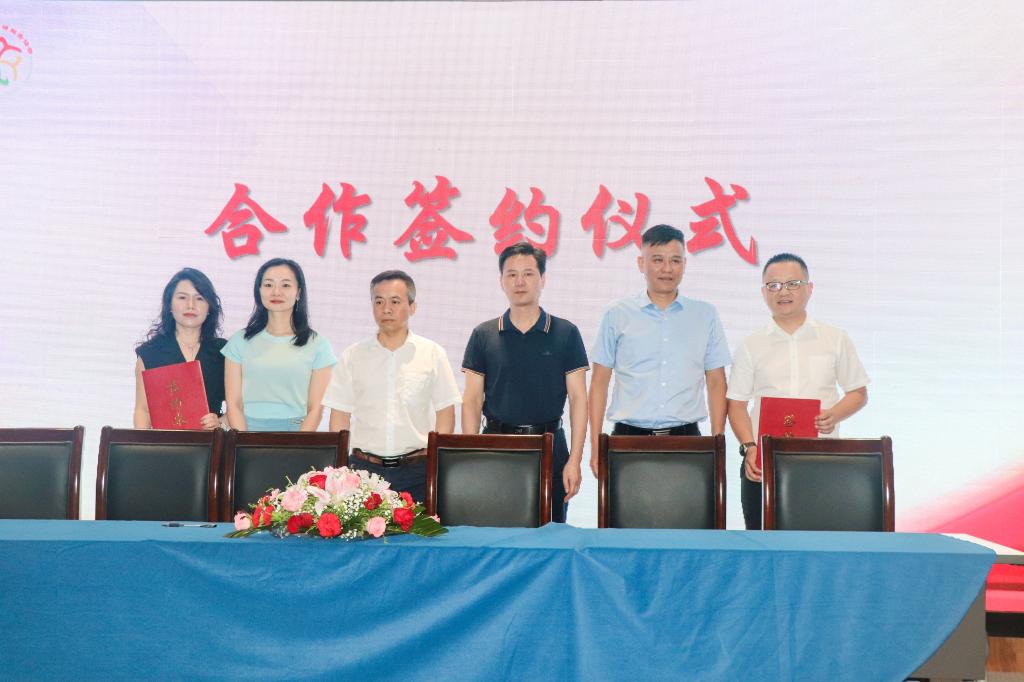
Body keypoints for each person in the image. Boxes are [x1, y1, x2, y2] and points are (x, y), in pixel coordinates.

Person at [728, 252, 869, 530]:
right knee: (761, 541)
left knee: (818, 539)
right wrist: (749, 447)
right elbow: (737, 405)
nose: (783, 292)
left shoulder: (835, 338)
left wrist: (835, 414)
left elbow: (858, 392)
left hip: (821, 459)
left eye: (793, 284)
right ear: (763, 292)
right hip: (763, 462)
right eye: (774, 285)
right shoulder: (751, 344)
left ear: (809, 288)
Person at [461, 242, 589, 523]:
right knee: (495, 529)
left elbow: (579, 398)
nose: (520, 282)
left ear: (543, 279)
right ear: (501, 281)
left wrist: (575, 460)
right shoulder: (484, 334)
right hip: (496, 447)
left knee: (550, 532)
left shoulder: (565, 332)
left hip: (550, 446)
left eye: (528, 274)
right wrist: (471, 455)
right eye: (512, 274)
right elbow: (471, 400)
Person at [588, 224, 730, 476]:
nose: (667, 268)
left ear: (684, 264)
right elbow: (599, 383)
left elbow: (717, 382)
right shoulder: (617, 314)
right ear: (641, 263)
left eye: (675, 260)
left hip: (687, 441)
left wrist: (717, 445)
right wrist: (596, 445)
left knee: (688, 504)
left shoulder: (705, 315)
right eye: (657, 260)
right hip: (627, 441)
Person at [322, 270, 461, 503]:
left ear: (412, 307)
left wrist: (436, 462)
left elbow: (445, 411)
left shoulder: (432, 354)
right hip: (363, 472)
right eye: (379, 302)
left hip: (417, 471)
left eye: (395, 301)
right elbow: (339, 415)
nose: (386, 309)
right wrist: (341, 471)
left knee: (419, 527)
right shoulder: (353, 356)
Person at [222, 258, 336, 431]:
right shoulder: (239, 341)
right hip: (245, 432)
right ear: (259, 291)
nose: (276, 292)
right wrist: (242, 442)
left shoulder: (318, 345)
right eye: (268, 285)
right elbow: (234, 404)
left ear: (298, 292)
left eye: (286, 285)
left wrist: (298, 444)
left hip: (296, 433)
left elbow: (315, 410)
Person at [134, 268, 226, 430]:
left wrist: (220, 422)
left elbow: (238, 406)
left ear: (209, 307)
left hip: (213, 442)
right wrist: (144, 442)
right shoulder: (150, 353)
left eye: (199, 298)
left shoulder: (224, 352)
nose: (191, 305)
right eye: (182, 297)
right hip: (166, 443)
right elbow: (142, 410)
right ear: (169, 304)